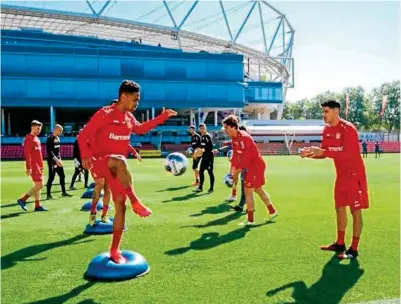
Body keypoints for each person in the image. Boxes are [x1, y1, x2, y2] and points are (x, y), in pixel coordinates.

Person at [79, 80, 177, 263]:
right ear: (123, 97)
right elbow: (83, 135)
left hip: (117, 168)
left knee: (120, 205)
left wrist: (162, 117)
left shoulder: (129, 118)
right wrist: (85, 155)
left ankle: (115, 250)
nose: (137, 104)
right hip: (100, 163)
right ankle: (136, 202)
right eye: (135, 100)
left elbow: (140, 129)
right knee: (120, 160)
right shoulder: (104, 113)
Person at [300, 99, 369, 260]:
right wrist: (311, 154)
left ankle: (354, 249)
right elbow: (325, 153)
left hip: (355, 175)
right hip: (342, 176)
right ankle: (339, 243)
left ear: (336, 111)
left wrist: (324, 151)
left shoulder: (348, 129)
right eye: (322, 112)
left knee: (355, 210)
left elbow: (348, 153)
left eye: (326, 111)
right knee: (339, 208)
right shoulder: (326, 131)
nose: (323, 115)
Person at [222, 115, 278, 225]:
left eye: (226, 128)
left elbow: (245, 160)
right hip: (251, 166)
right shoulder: (234, 138)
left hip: (255, 166)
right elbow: (235, 158)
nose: (225, 130)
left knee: (248, 191)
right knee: (258, 190)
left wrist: (236, 172)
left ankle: (250, 220)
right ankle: (272, 211)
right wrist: (230, 174)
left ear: (233, 127)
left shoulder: (244, 138)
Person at [17, 120, 48, 211]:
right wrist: (28, 167)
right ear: (32, 127)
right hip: (33, 166)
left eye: (40, 129)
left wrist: (41, 166)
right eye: (37, 128)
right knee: (40, 185)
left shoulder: (37, 138)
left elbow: (39, 154)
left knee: (37, 186)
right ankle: (23, 199)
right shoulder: (29, 139)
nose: (39, 130)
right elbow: (27, 154)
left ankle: (37, 206)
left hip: (39, 167)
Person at [46, 124, 72, 199]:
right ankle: (48, 195)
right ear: (56, 129)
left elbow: (58, 151)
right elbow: (49, 152)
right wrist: (56, 160)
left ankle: (64, 192)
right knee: (51, 177)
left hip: (58, 160)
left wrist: (59, 159)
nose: (61, 132)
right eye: (60, 131)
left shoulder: (57, 138)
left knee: (62, 176)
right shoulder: (50, 138)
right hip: (52, 161)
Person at [193, 124, 215, 193]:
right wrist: (197, 152)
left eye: (203, 128)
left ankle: (211, 188)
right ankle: (200, 187)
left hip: (209, 158)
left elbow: (211, 148)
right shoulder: (202, 137)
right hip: (204, 157)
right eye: (200, 128)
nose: (202, 130)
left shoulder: (207, 136)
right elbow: (201, 147)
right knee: (200, 172)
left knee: (210, 172)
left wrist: (202, 151)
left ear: (205, 128)